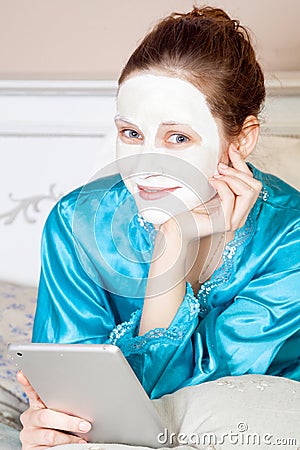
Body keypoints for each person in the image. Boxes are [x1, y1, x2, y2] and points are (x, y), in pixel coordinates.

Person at [17, 6, 300, 449]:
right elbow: (72, 390)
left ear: (241, 138)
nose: (145, 165)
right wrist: (51, 422)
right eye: (131, 134)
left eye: (178, 138)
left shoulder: (290, 237)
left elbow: (173, 400)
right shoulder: (75, 222)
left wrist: (175, 241)